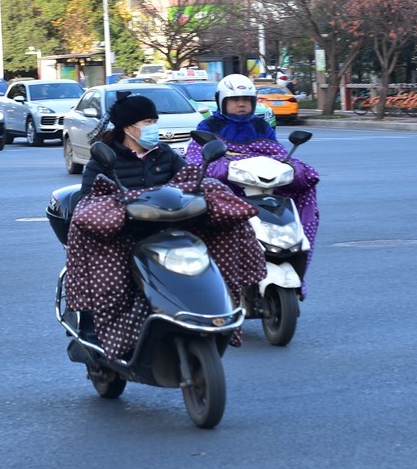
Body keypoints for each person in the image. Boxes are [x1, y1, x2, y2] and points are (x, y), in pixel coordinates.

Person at [64, 92, 264, 359]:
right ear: (128, 127)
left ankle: (218, 306)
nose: (153, 127)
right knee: (112, 280)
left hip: (170, 231)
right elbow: (89, 199)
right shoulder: (105, 158)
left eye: (154, 120)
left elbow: (190, 182)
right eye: (148, 121)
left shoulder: (165, 154)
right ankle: (101, 335)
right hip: (125, 236)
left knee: (224, 223)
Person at [185, 74, 321, 295]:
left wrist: (295, 171)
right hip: (231, 189)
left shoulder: (261, 126)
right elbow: (197, 160)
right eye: (235, 100)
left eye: (246, 100)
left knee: (305, 187)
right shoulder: (208, 126)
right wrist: (223, 169)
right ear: (222, 101)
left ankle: (298, 260)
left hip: (264, 185)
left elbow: (278, 154)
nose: (241, 104)